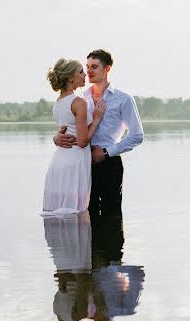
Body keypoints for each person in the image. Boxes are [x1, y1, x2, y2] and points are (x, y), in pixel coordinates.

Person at [54, 49, 143, 216]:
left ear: (107, 69)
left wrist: (106, 152)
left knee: (112, 215)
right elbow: (70, 127)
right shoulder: (81, 98)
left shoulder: (123, 99)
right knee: (87, 214)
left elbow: (137, 136)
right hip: (83, 163)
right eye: (87, 67)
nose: (89, 71)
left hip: (109, 164)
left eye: (94, 67)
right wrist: (56, 138)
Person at [41, 58, 106, 216]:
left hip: (59, 162)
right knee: (74, 212)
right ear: (70, 78)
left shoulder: (58, 102)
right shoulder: (79, 102)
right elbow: (83, 141)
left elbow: (66, 129)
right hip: (74, 162)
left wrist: (56, 138)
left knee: (59, 214)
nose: (85, 74)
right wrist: (96, 118)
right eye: (81, 71)